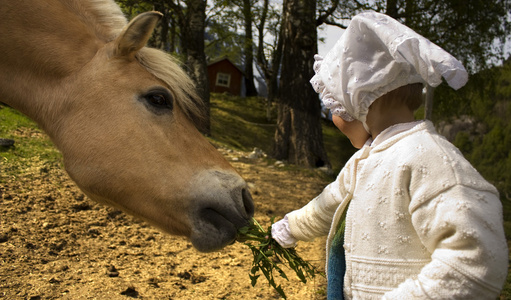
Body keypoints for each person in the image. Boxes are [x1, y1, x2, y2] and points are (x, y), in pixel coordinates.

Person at [271, 11, 508, 299]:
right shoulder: (366, 159)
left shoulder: (432, 160)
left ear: (359, 100)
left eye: (334, 106)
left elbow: (476, 262)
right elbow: (331, 202)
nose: (333, 116)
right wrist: (292, 226)